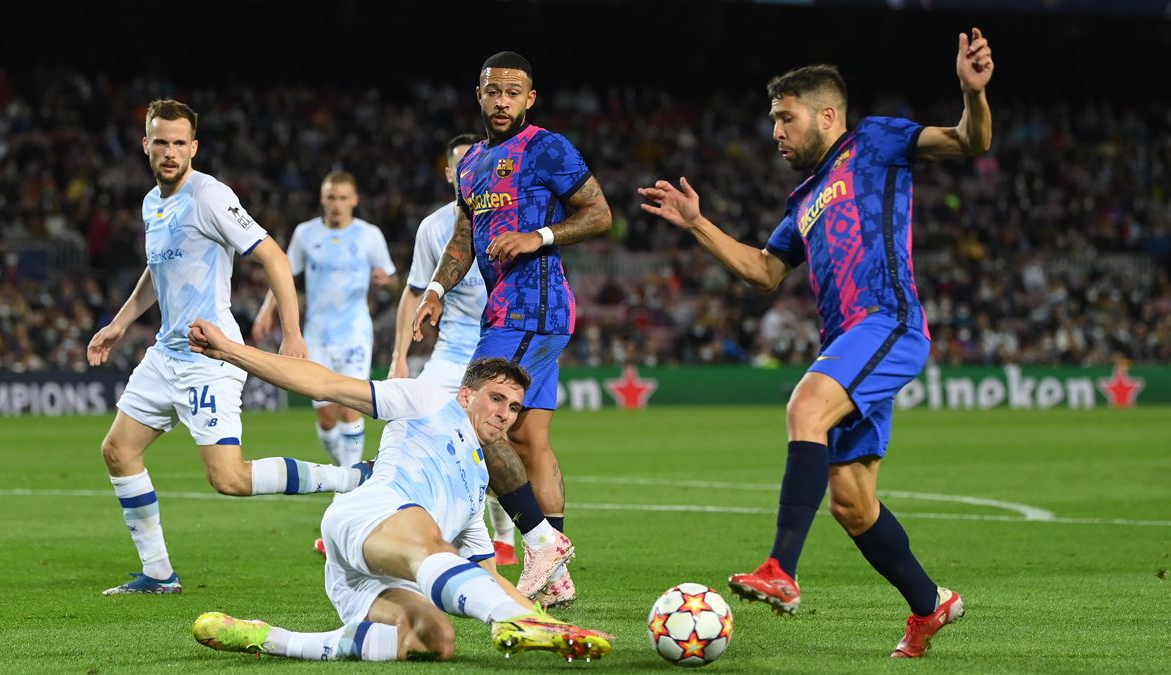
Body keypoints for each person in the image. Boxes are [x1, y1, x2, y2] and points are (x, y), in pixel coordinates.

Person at [638, 28, 994, 658]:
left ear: (827, 115)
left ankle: (781, 569)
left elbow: (970, 140)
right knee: (852, 503)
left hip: (887, 322)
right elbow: (763, 271)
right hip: (851, 340)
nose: (776, 131)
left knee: (805, 406)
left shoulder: (875, 141)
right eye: (773, 119)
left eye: (786, 118)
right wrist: (697, 224)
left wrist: (973, 94)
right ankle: (930, 604)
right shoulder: (804, 198)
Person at [186, 321, 611, 663]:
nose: (504, 414)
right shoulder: (427, 399)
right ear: (466, 395)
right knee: (428, 538)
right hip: (369, 516)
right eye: (496, 399)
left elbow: (490, 576)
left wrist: (553, 626)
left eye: (514, 407)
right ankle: (507, 620)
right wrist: (231, 350)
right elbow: (325, 385)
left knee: (434, 640)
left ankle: (272, 639)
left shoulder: (477, 487)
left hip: (372, 576)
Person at [86, 99, 372, 596]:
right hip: (165, 354)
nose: (170, 151)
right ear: (146, 145)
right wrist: (119, 323)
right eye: (161, 142)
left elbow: (274, 257)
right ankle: (159, 574)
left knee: (230, 479)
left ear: (193, 147)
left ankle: (352, 480)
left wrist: (291, 332)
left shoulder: (210, 196)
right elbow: (158, 269)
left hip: (209, 357)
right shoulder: (152, 203)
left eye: (179, 143)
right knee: (118, 451)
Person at [412, 51, 613, 607]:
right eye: (493, 91)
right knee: (529, 440)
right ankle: (556, 575)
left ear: (530, 99)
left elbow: (599, 213)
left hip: (533, 308)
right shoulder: (473, 162)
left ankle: (542, 544)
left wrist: (538, 237)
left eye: (513, 92)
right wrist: (435, 290)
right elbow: (463, 239)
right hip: (509, 312)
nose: (502, 101)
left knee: (477, 421)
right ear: (479, 95)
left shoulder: (546, 147)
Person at [388, 133, 519, 566]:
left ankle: (504, 537)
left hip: (499, 346)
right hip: (452, 349)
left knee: (496, 439)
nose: (471, 172)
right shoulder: (433, 228)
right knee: (412, 420)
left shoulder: (515, 215)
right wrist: (399, 357)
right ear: (450, 174)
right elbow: (414, 291)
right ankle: (398, 519)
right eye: (462, 166)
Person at [252, 172, 396, 468]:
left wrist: (387, 281)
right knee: (326, 417)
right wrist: (266, 310)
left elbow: (394, 282)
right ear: (322, 199)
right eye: (331, 197)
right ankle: (344, 469)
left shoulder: (369, 235)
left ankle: (349, 482)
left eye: (343, 198)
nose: (337, 204)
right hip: (317, 335)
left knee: (351, 407)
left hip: (355, 334)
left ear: (354, 200)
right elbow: (283, 275)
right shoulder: (305, 234)